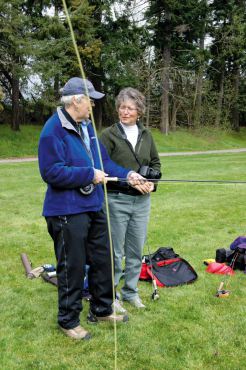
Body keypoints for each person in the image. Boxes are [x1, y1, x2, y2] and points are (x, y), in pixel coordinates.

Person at [38, 78, 144, 340]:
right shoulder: (53, 130)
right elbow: (51, 172)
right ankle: (68, 320)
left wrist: (128, 174)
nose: (93, 106)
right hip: (66, 210)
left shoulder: (87, 127)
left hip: (93, 205)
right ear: (76, 100)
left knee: (102, 259)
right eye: (91, 100)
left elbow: (103, 163)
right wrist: (89, 174)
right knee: (72, 266)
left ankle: (101, 308)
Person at [100, 87, 161, 312]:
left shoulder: (146, 135)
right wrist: (128, 179)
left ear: (139, 112)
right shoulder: (108, 135)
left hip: (141, 202)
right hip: (116, 200)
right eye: (122, 107)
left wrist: (151, 184)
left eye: (130, 108)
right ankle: (111, 295)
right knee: (115, 251)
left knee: (135, 250)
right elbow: (101, 166)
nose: (125, 112)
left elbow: (155, 164)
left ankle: (130, 292)